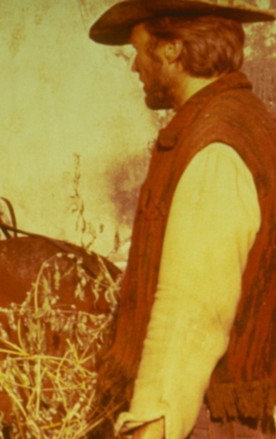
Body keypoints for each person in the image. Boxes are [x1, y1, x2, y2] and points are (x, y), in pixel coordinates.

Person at [88, 1, 276, 438]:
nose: (135, 66)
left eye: (139, 50)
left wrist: (152, 420)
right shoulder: (240, 118)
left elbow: (192, 310)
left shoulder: (215, 143)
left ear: (171, 49)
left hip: (207, 415)